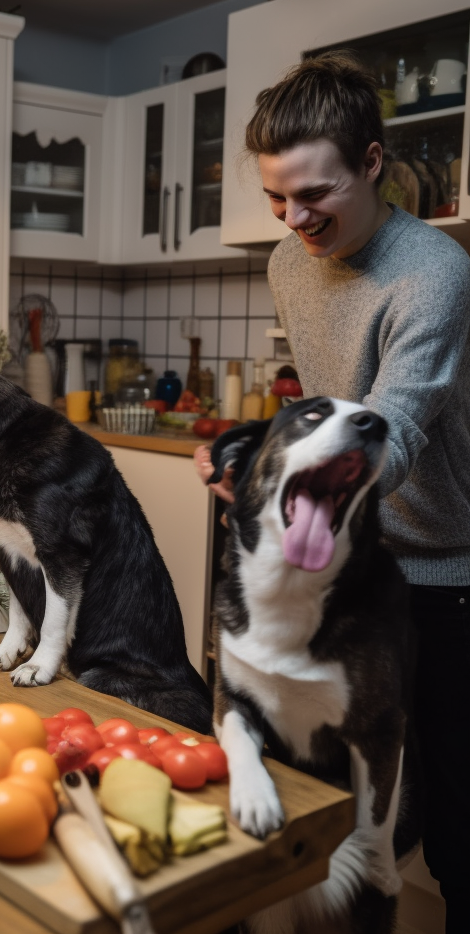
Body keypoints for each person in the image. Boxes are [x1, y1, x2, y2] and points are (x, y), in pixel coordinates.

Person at [194, 51, 470, 932]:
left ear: (374, 163)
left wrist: (277, 496)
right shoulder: (288, 261)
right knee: (337, 801)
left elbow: (393, 429)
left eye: (314, 194)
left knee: (454, 828)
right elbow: (324, 411)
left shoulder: (432, 272)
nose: (294, 218)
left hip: (448, 567)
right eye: (277, 198)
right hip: (354, 558)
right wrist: (258, 467)